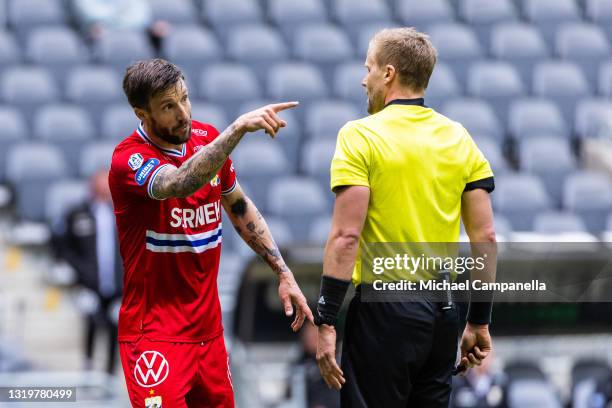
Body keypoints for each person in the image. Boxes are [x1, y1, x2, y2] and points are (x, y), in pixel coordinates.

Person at [109, 58, 313, 407]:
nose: (183, 113)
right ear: (141, 114)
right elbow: (178, 182)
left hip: (209, 336)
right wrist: (235, 131)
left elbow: (238, 206)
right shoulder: (128, 160)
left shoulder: (206, 138)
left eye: (185, 99)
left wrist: (283, 272)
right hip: (155, 339)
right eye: (168, 107)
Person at [313, 28, 497, 407]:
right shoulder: (459, 137)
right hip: (444, 312)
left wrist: (327, 319)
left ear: (388, 73)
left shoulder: (359, 136)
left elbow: (347, 235)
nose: (364, 79)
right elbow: (486, 238)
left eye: (369, 68)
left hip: (385, 312)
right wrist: (478, 321)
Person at [56, 169, 123, 374]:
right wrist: (79, 273)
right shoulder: (77, 214)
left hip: (116, 286)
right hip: (88, 285)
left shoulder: (121, 214)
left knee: (115, 327)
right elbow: (63, 246)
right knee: (92, 323)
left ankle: (110, 372)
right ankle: (88, 368)